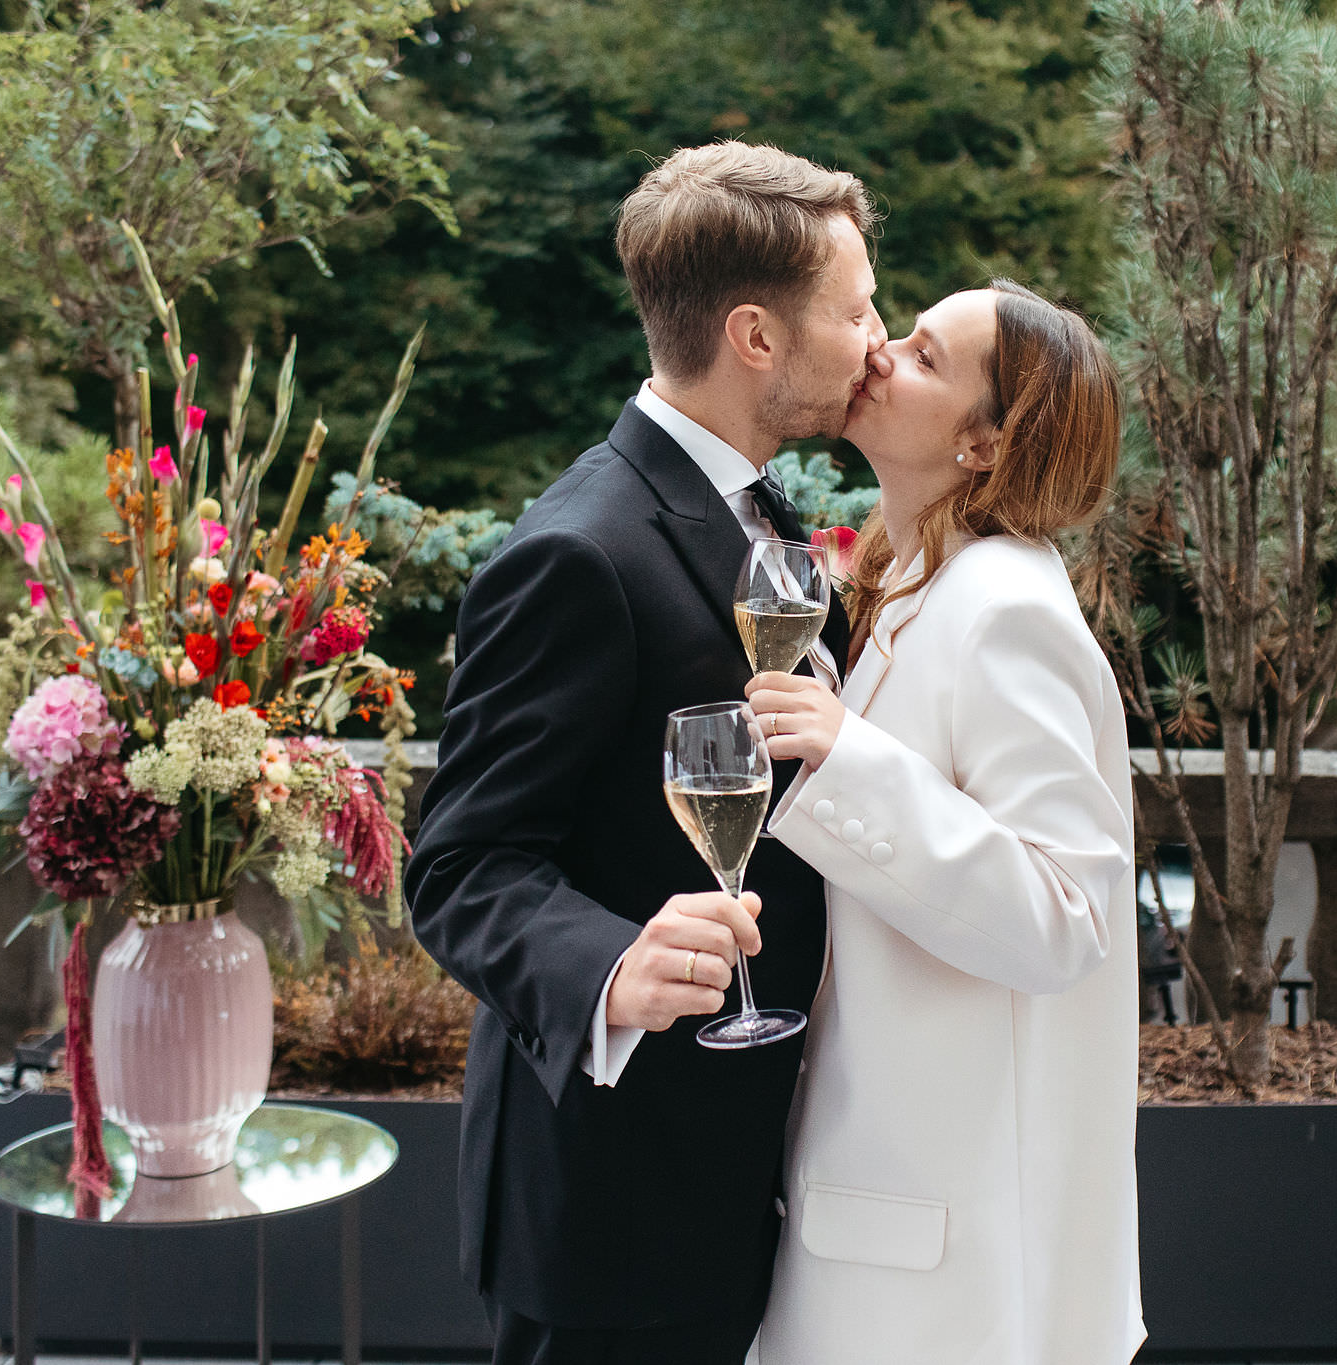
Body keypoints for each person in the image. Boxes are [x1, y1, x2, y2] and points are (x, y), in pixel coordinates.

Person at [406, 141, 885, 1365]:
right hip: (611, 1212)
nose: (875, 338)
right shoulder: (576, 553)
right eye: (853, 307)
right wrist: (614, 965)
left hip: (737, 1173)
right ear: (754, 338)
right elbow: (461, 865)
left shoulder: (755, 505)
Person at [745, 281, 1145, 1364]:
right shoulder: (920, 580)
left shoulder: (1004, 609)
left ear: (983, 443)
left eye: (922, 356)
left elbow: (1064, 914)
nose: (878, 352)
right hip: (880, 1199)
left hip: (950, 1253)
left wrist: (846, 759)